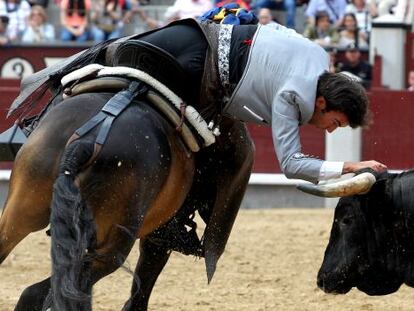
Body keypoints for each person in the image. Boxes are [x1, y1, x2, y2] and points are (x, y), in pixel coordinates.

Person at [12, 18, 387, 184]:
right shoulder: (293, 96)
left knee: (110, 55)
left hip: (196, 36)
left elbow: (273, 30)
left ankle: (31, 125)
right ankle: (30, 127)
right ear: (322, 103)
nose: (329, 130)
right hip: (193, 68)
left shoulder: (320, 57)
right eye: (335, 122)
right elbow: (290, 165)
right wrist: (351, 166)